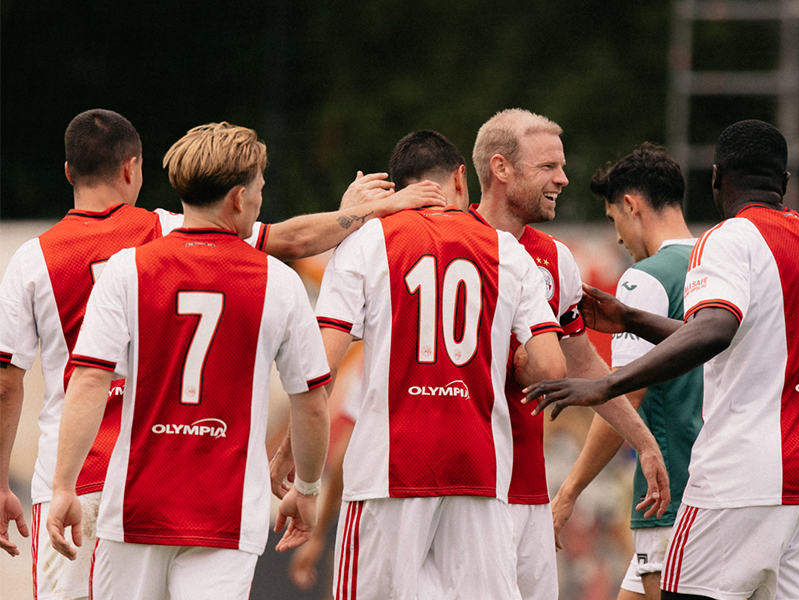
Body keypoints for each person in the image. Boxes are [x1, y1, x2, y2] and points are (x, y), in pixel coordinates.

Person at [0, 109, 444, 600]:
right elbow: (295, 243)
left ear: (68, 172)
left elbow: (24, 383)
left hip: (105, 479)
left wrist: (28, 484)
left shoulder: (58, 261)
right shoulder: (181, 236)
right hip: (207, 490)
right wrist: (371, 210)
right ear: (132, 168)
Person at [525, 120, 799, 600]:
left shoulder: (730, 237)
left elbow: (714, 330)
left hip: (744, 475)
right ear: (785, 181)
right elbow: (734, 337)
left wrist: (607, 385)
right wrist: (631, 319)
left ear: (717, 177)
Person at [42, 122, 334, 599]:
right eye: (260, 190)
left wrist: (63, 487)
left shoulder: (129, 269)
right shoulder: (278, 281)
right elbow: (313, 403)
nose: (260, 200)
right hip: (226, 514)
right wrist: (306, 488)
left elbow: (89, 381)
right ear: (238, 199)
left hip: (136, 507)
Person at [310, 129, 568, 599]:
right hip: (479, 469)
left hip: (390, 470)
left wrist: (296, 464)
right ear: (460, 179)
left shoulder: (368, 241)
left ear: (398, 192)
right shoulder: (506, 250)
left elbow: (319, 369)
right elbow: (551, 369)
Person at [469, 108, 670, 600]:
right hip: (463, 491)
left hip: (528, 493)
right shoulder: (451, 243)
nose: (562, 178)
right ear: (501, 169)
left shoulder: (555, 258)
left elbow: (584, 365)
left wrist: (644, 443)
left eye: (561, 166)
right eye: (548, 167)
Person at [551, 143, 703, 600]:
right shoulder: (722, 265)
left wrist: (569, 491)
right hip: (725, 491)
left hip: (669, 494)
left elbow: (625, 397)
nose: (617, 237)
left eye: (613, 217)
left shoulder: (646, 278)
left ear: (632, 206)